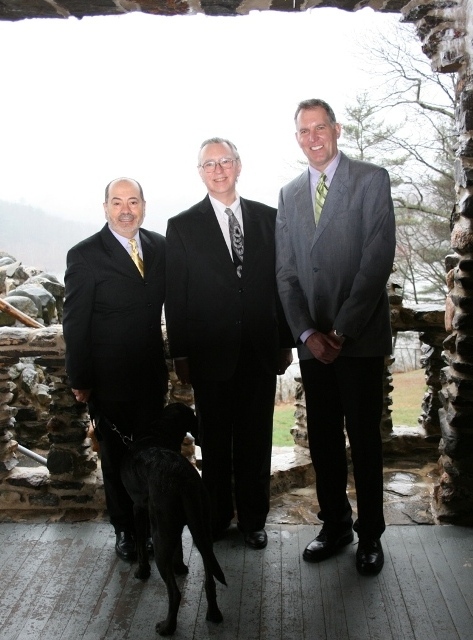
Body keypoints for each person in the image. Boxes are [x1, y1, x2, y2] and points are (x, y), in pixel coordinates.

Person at [275, 99, 396, 575]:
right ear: (298, 138)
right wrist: (306, 333)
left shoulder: (370, 180)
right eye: (303, 131)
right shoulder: (288, 195)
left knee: (365, 439)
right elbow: (285, 273)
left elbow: (377, 260)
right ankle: (336, 526)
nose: (313, 137)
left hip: (358, 339)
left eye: (319, 127)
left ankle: (370, 536)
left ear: (336, 130)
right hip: (314, 346)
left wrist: (340, 330)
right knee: (323, 440)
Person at [165, 137, 293, 549]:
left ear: (239, 165)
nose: (218, 170)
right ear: (200, 172)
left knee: (256, 441)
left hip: (259, 350)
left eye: (224, 162)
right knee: (215, 443)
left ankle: (254, 520)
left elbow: (281, 286)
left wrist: (284, 341)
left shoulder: (269, 219)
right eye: (209, 164)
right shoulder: (182, 226)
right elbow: (176, 295)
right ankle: (217, 516)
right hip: (209, 354)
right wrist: (180, 353)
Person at [62, 177, 168, 561]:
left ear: (143, 205)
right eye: (117, 202)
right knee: (117, 461)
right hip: (109, 381)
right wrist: (81, 379)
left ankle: (153, 528)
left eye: (133, 201)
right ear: (105, 207)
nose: (126, 210)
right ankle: (125, 531)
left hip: (152, 376)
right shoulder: (85, 255)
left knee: (152, 456)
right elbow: (74, 324)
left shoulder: (159, 246)